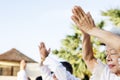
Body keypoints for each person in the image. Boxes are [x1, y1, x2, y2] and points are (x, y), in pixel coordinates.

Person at [71, 5, 120, 80]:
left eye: (113, 53)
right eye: (107, 54)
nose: (108, 58)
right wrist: (86, 34)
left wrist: (92, 30)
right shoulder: (106, 73)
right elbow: (88, 58)